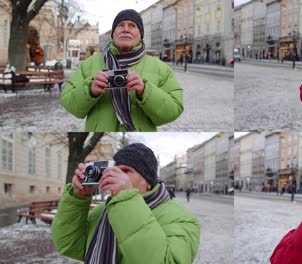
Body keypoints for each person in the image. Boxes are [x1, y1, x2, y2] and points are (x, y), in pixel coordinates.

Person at [51, 143, 200, 263]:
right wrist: (79, 198)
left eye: (126, 171)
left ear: (148, 182)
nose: (117, 175)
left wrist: (126, 200)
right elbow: (69, 245)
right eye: (114, 170)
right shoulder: (104, 210)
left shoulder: (182, 218)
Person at [60, 9, 183, 132]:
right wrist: (90, 90)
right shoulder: (89, 64)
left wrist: (145, 90)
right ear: (113, 34)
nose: (126, 29)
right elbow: (68, 102)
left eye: (132, 26)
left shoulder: (161, 68)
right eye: (120, 25)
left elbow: (173, 110)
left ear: (140, 36)